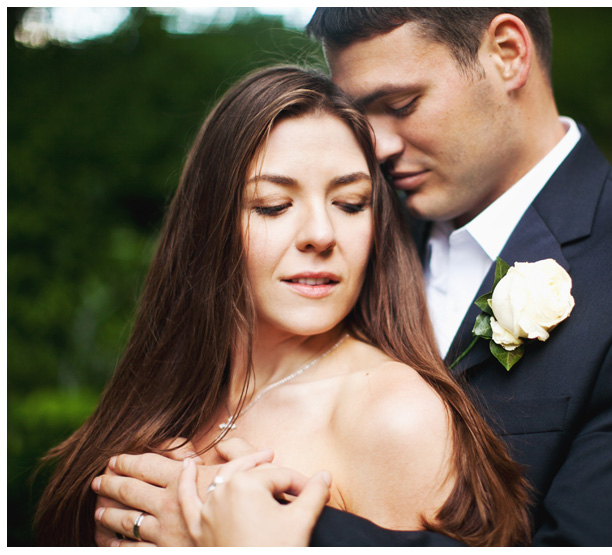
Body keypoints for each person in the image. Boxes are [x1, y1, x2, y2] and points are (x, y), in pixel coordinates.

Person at [92, 7, 612, 546]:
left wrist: (274, 532)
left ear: (507, 53)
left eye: (401, 103)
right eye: (362, 115)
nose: (377, 145)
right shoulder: (352, 229)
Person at [35, 65, 531, 546]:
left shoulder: (394, 416)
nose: (320, 234)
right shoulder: (169, 388)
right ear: (212, 223)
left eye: (351, 203)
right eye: (274, 205)